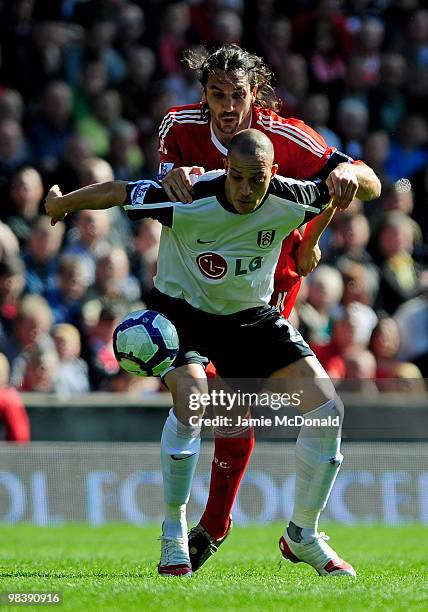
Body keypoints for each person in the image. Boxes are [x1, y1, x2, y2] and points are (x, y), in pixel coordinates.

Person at [45, 128, 361, 578]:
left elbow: (334, 196)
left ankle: (302, 535)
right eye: (236, 177)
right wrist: (62, 204)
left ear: (274, 173)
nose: (246, 189)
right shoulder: (188, 196)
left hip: (249, 319)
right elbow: (117, 191)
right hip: (181, 315)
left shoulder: (292, 195)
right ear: (225, 170)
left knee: (327, 410)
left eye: (257, 179)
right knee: (192, 401)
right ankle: (173, 531)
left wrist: (313, 237)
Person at [157, 44, 381, 569]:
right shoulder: (180, 129)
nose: (229, 106)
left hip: (266, 291)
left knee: (245, 408)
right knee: (200, 402)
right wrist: (166, 178)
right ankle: (189, 531)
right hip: (196, 293)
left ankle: (232, 529)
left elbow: (367, 180)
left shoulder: (285, 137)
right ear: (204, 96)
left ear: (256, 93)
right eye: (218, 95)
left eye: (239, 95)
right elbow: (155, 187)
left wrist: (347, 180)